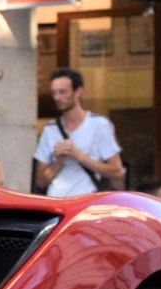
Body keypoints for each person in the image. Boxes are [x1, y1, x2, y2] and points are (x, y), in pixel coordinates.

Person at [32, 67, 125, 197]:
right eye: (54, 93)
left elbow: (116, 171)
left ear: (78, 92)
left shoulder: (99, 125)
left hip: (87, 200)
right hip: (56, 200)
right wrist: (59, 161)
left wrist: (79, 156)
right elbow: (40, 181)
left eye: (63, 92)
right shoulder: (50, 130)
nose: (57, 97)